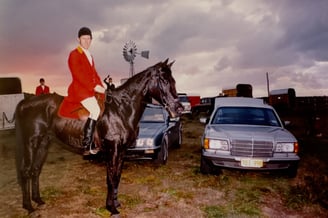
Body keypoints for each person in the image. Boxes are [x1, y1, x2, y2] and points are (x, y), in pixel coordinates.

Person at [66, 27, 105, 155]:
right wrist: (94, 87)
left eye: (89, 39)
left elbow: (94, 73)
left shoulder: (90, 55)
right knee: (95, 110)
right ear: (78, 39)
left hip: (90, 89)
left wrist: (102, 85)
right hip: (80, 90)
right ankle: (86, 144)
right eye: (84, 39)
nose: (87, 41)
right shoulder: (74, 54)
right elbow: (78, 75)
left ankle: (100, 140)